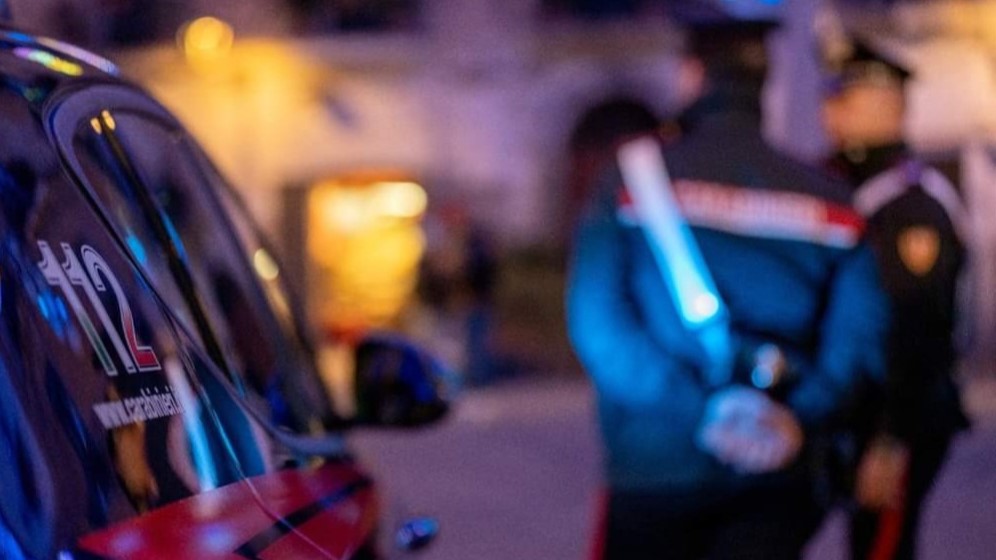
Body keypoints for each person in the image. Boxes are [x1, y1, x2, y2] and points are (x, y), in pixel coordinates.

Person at [566, 6, 891, 559]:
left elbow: (597, 325)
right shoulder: (832, 198)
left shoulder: (629, 181)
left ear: (693, 76)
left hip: (658, 466)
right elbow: (859, 341)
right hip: (779, 468)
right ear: (765, 85)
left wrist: (699, 413)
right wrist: (796, 415)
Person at [821, 37, 971, 560]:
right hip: (853, 406)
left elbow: (918, 329)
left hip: (898, 414)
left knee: (883, 547)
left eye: (847, 100)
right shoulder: (840, 181)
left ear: (891, 108)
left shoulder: (912, 203)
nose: (829, 112)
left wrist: (891, 437)